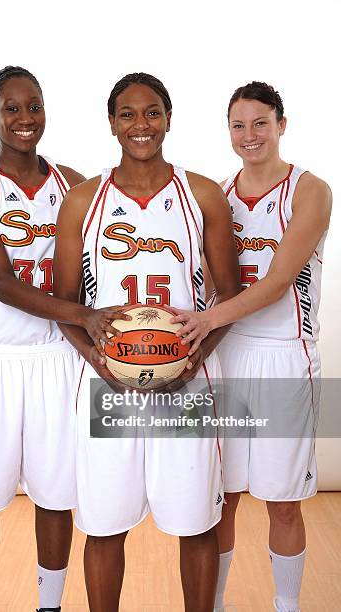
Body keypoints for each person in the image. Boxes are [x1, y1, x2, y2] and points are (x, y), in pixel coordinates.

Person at [53, 72, 241, 612]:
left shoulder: (200, 193)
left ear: (168, 118)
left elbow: (229, 295)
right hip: (108, 384)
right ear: (112, 123)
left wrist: (194, 356)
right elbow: (69, 305)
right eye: (129, 114)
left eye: (152, 112)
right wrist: (99, 360)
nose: (142, 125)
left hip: (185, 382)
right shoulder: (84, 199)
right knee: (104, 525)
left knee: (196, 521)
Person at [0, 65, 128, 612]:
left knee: (56, 497)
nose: (26, 119)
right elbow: (1, 283)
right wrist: (86, 316)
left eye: (35, 107)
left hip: (58, 358)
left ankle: (51, 606)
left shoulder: (72, 181)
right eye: (13, 108)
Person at [170, 81, 332, 612]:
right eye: (238, 125)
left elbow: (279, 281)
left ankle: (287, 606)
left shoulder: (311, 190)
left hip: (286, 355)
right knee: (224, 500)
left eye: (260, 123)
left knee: (283, 503)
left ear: (281, 126)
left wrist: (205, 319)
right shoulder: (216, 193)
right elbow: (203, 278)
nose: (249, 135)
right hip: (226, 356)